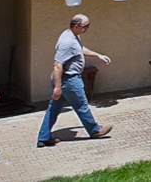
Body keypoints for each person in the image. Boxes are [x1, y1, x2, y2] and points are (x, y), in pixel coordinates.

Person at [36, 14, 113, 147]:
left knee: (54, 108)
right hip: (68, 80)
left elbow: (80, 49)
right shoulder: (67, 42)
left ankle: (43, 137)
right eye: (85, 26)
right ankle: (95, 130)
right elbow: (57, 64)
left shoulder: (72, 36)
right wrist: (58, 87)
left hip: (66, 80)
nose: (87, 29)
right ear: (76, 26)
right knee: (81, 105)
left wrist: (98, 55)